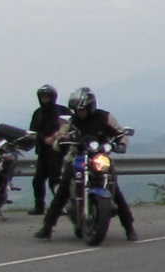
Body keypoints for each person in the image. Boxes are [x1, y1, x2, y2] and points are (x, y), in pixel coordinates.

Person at [36, 87, 137, 240]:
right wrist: (61, 141)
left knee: (115, 191)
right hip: (77, 157)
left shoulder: (104, 117)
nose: (80, 112)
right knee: (62, 190)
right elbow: (60, 137)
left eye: (82, 109)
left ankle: (129, 228)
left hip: (100, 158)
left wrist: (121, 144)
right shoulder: (72, 121)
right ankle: (47, 227)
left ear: (90, 106)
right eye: (77, 110)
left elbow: (120, 133)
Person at [29, 84, 65, 214]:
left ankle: (61, 207)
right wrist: (44, 139)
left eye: (47, 96)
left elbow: (71, 126)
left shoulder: (62, 111)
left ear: (53, 97)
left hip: (59, 151)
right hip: (43, 151)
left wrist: (57, 137)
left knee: (55, 180)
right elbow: (33, 132)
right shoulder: (38, 113)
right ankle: (39, 207)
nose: (45, 99)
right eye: (42, 97)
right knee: (38, 180)